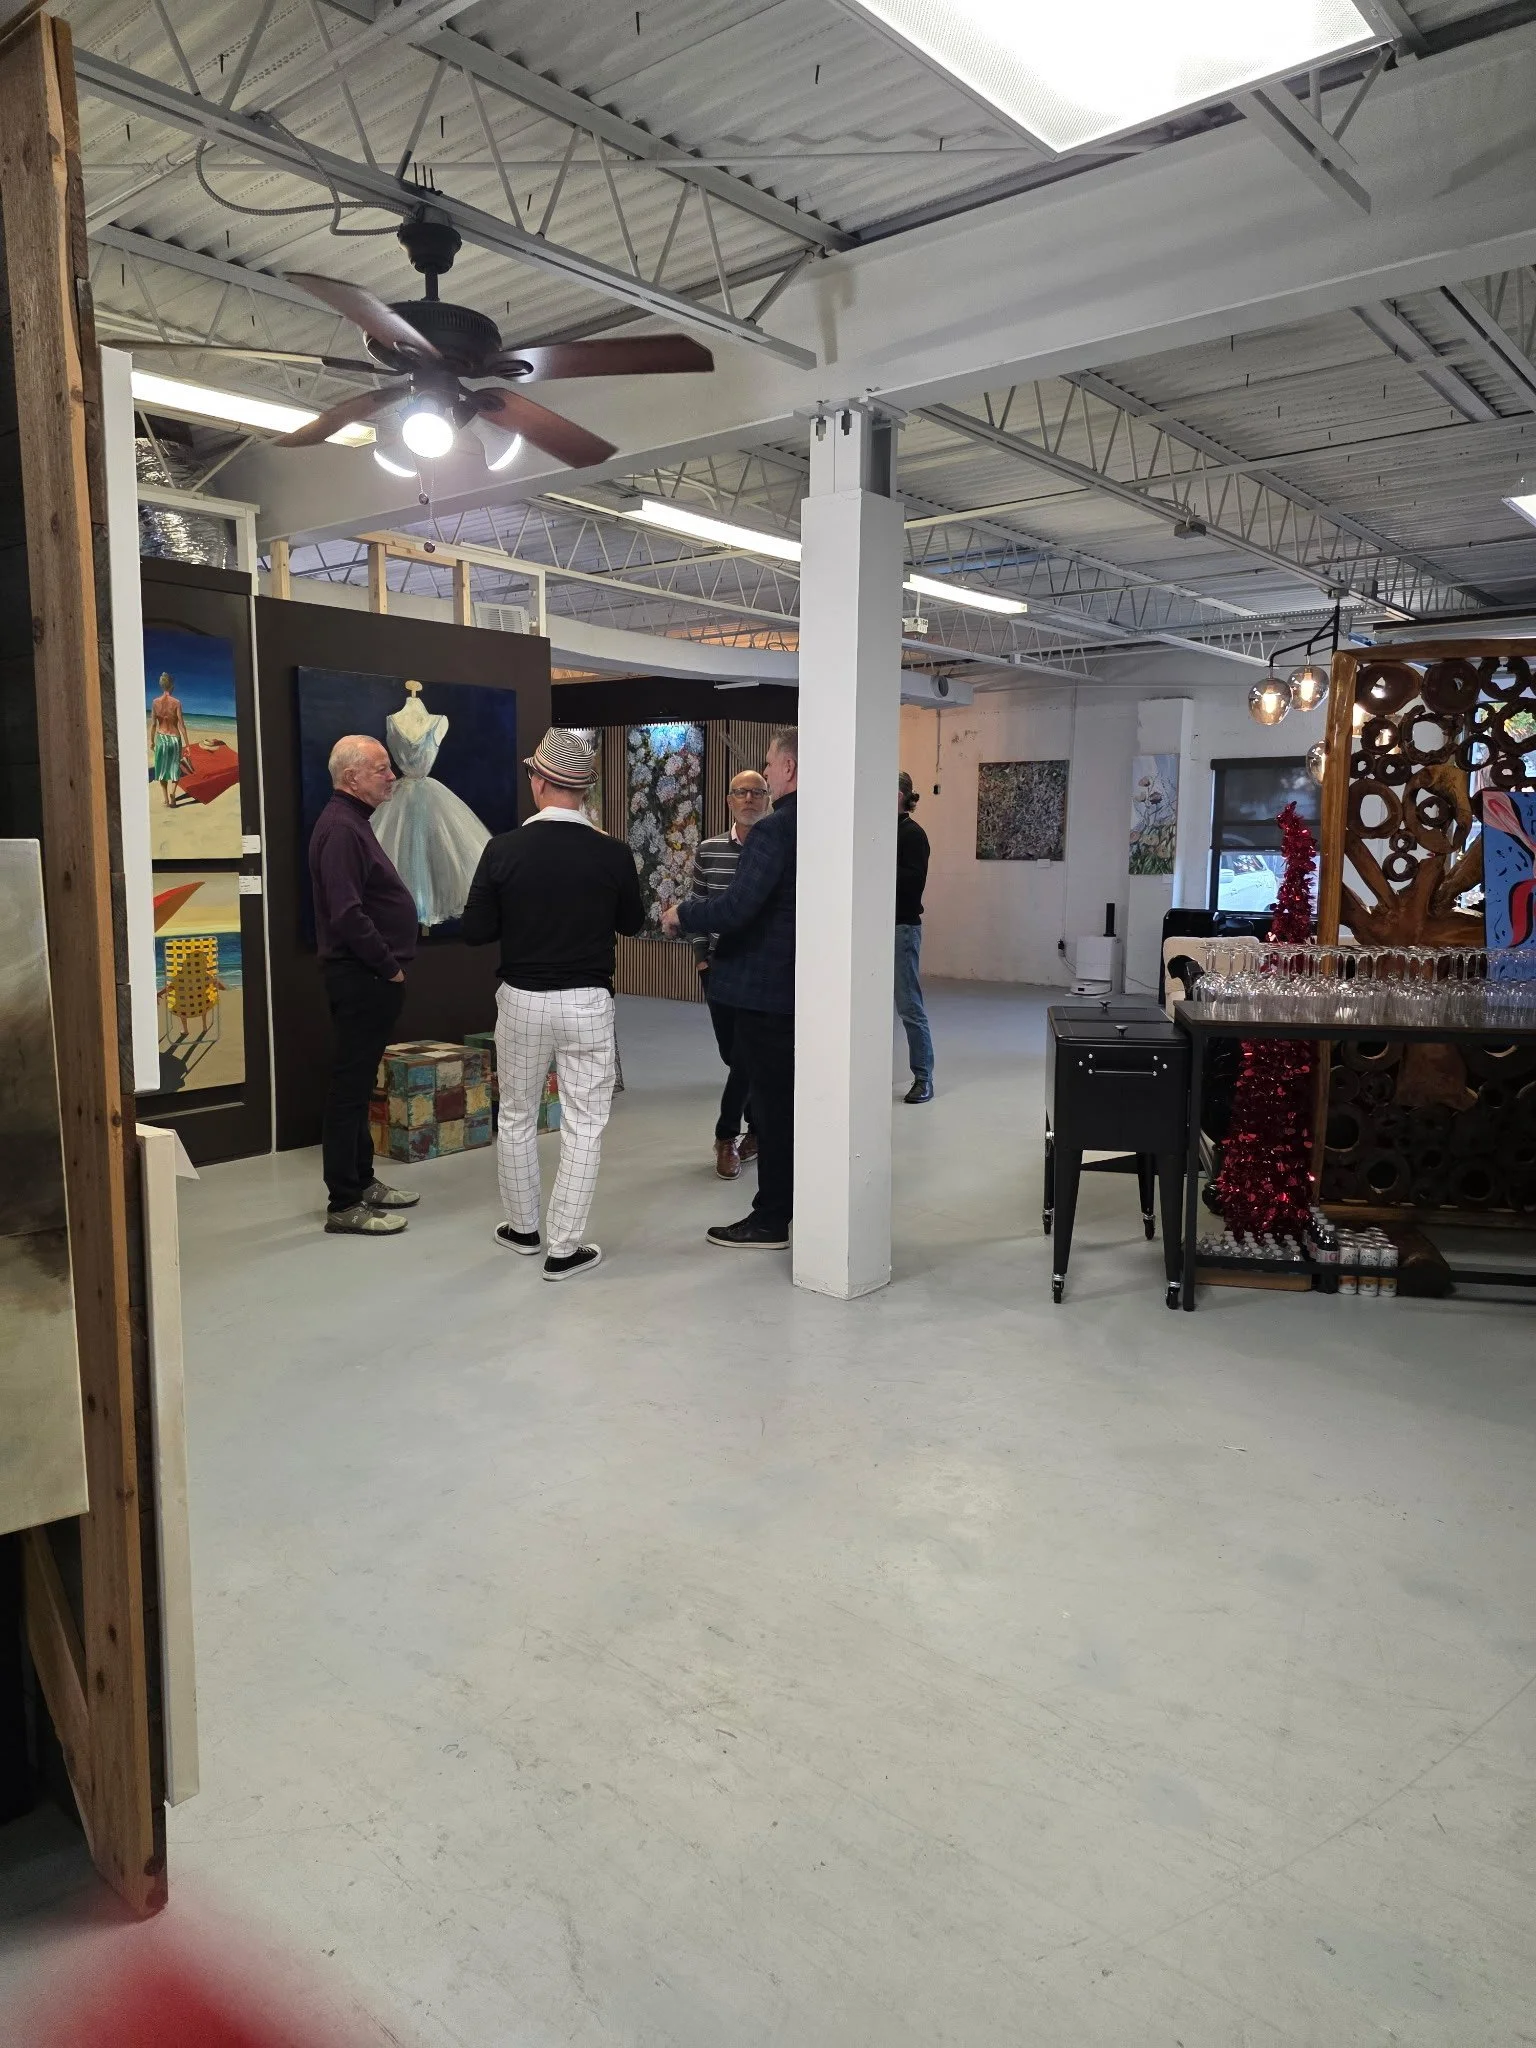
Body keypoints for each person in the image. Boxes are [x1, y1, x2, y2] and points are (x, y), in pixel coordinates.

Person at [461, 728, 644, 1283]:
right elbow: (631, 924)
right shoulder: (613, 853)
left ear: (539, 783)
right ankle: (565, 1247)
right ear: (583, 792)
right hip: (588, 1001)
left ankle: (523, 1229)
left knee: (516, 1115)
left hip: (521, 1000)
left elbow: (475, 930)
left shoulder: (503, 849)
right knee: (584, 1125)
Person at [662, 729, 798, 1250]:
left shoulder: (774, 831)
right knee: (780, 1103)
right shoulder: (823, 822)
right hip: (796, 986)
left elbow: (738, 908)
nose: (757, 787)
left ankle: (770, 1221)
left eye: (766, 770)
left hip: (762, 991)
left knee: (773, 1108)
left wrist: (683, 915)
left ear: (785, 770)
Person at [308, 736, 422, 1237]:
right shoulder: (340, 829)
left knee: (358, 1084)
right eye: (381, 769)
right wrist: (388, 966)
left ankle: (363, 1180)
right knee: (350, 1090)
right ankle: (344, 1202)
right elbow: (347, 913)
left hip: (368, 975)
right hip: (363, 976)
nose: (392, 776)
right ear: (352, 777)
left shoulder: (352, 823)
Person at [684, 768, 771, 1178]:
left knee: (745, 1053)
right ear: (729, 801)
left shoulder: (779, 848)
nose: (750, 798)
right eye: (742, 792)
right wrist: (702, 958)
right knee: (733, 1054)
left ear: (769, 799)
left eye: (758, 791)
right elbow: (698, 905)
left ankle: (728, 1135)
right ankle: (754, 1128)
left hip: (765, 969)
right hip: (719, 968)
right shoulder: (709, 849)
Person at [895, 770, 935, 1103]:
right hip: (871, 930)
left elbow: (912, 883)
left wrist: (876, 868)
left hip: (901, 929)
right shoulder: (878, 833)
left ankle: (923, 1077)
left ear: (899, 795)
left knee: (909, 1006)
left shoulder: (912, 835)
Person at [148, 671, 191, 808]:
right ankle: (173, 794)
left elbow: (153, 724)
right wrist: (188, 744)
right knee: (174, 768)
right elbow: (181, 725)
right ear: (171, 686)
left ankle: (166, 798)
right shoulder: (176, 702)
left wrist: (152, 741)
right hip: (174, 738)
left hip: (161, 737)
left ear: (161, 685)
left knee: (161, 769)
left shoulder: (155, 702)